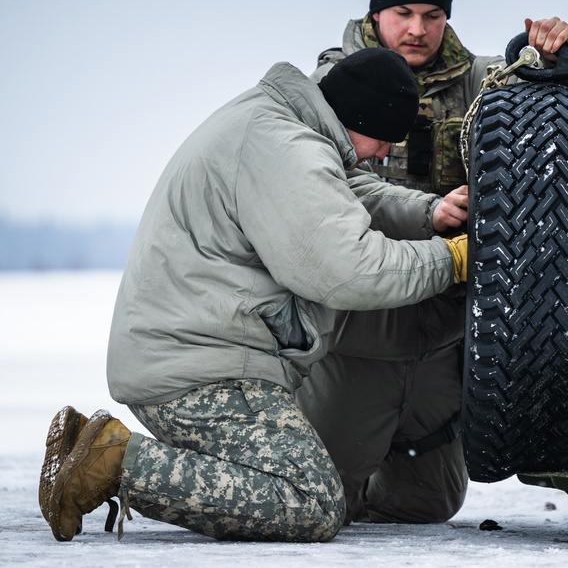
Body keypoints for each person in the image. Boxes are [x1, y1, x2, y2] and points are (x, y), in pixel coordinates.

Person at [38, 48, 470, 543]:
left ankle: (84, 445)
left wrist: (428, 213)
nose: (379, 155)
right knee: (312, 500)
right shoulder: (287, 148)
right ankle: (114, 462)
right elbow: (350, 270)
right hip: (204, 370)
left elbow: (345, 192)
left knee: (303, 489)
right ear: (355, 118)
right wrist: (451, 260)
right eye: (381, 140)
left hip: (187, 352)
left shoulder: (278, 124)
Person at [297, 0, 568, 525]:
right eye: (402, 13)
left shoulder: (484, 82)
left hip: (441, 333)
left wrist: (566, 56)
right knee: (317, 501)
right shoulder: (333, 88)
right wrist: (428, 211)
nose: (416, 29)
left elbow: (563, 105)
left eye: (432, 15)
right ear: (375, 13)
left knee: (428, 503)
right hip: (359, 335)